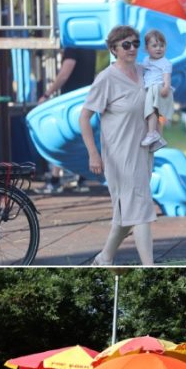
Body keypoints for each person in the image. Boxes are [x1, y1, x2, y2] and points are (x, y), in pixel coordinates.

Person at [80, 25, 156, 265]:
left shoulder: (145, 72)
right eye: (126, 45)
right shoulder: (106, 79)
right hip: (118, 156)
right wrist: (93, 154)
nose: (132, 48)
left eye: (135, 43)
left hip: (142, 151)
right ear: (114, 49)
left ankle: (104, 257)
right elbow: (84, 118)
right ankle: (149, 266)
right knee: (140, 210)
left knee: (127, 211)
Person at [37, 47, 97, 194]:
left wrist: (47, 94)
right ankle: (81, 179)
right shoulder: (90, 49)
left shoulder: (72, 48)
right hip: (84, 99)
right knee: (83, 140)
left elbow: (65, 74)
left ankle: (55, 179)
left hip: (69, 103)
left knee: (61, 140)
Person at [139, 30, 173, 151]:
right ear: (147, 48)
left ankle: (151, 133)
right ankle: (159, 137)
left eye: (161, 46)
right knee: (157, 114)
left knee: (151, 111)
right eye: (154, 46)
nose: (159, 48)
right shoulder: (146, 60)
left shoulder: (165, 63)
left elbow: (167, 77)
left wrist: (166, 87)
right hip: (151, 88)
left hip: (158, 88)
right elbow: (142, 71)